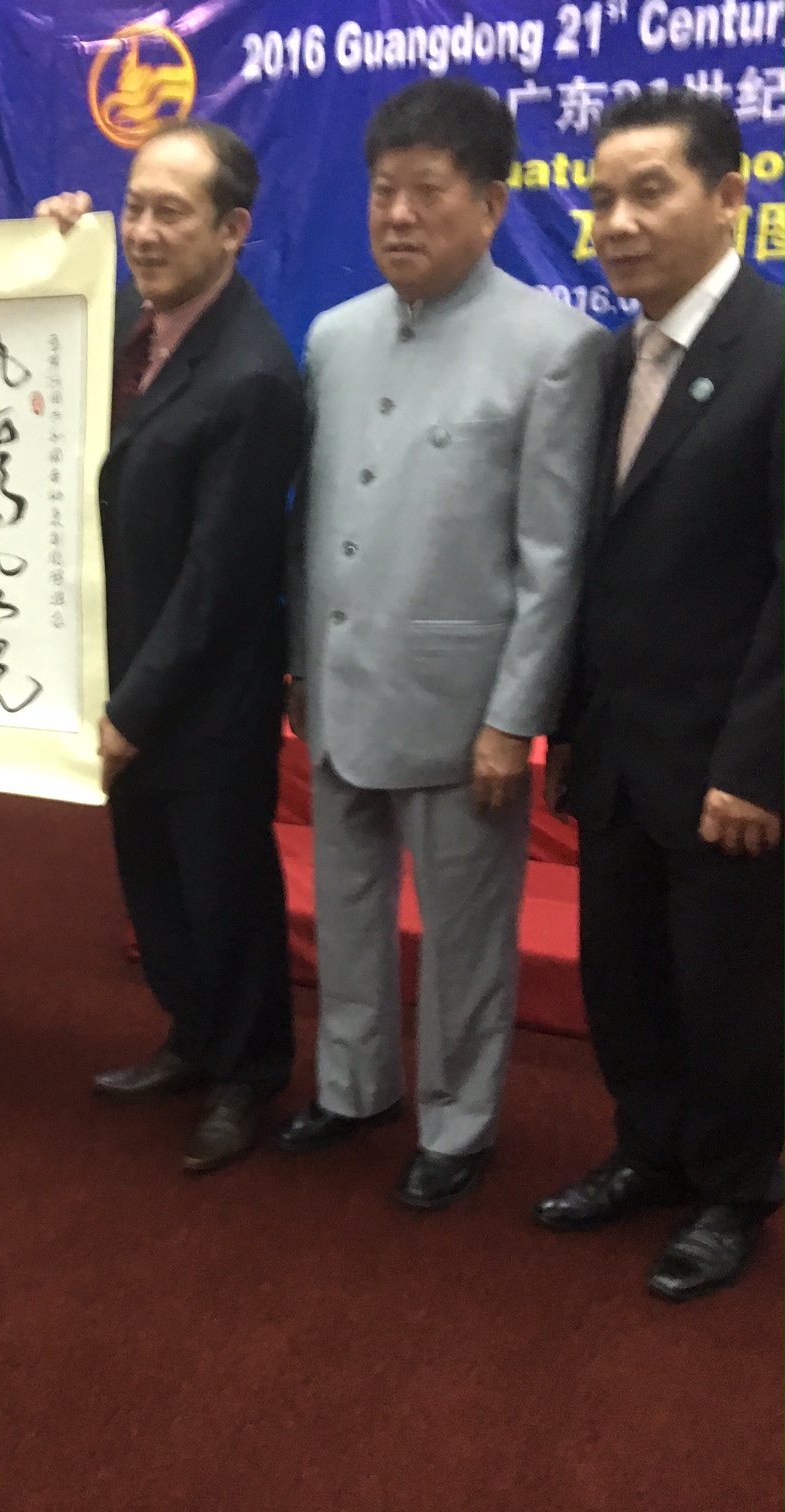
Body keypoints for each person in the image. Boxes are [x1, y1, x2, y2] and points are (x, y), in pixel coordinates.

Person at [276, 79, 606, 1208]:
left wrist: (516, 715)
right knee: (347, 903)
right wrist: (299, 665)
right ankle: (353, 1084)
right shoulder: (332, 336)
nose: (399, 215)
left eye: (427, 192)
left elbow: (554, 558)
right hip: (337, 683)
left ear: (492, 203)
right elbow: (316, 516)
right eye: (382, 192)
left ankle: (459, 1125)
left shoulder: (555, 348)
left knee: (467, 933)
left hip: (469, 710)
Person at [536, 91, 785, 1301]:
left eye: (650, 192)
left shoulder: (775, 351)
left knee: (731, 993)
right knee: (626, 979)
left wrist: (760, 763)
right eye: (600, 199)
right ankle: (650, 1152)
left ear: (731, 197)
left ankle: (736, 1192)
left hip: (727, 761)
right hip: (620, 748)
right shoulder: (607, 352)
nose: (618, 224)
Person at [34, 119, 305, 1173]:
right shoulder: (130, 331)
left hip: (202, 692)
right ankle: (191, 1039)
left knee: (221, 887)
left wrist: (133, 709)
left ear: (233, 230)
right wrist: (46, 247)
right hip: (123, 670)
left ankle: (247, 1073)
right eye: (132, 206)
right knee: (151, 879)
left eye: (170, 213)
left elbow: (220, 579)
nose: (142, 231)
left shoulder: (253, 373)